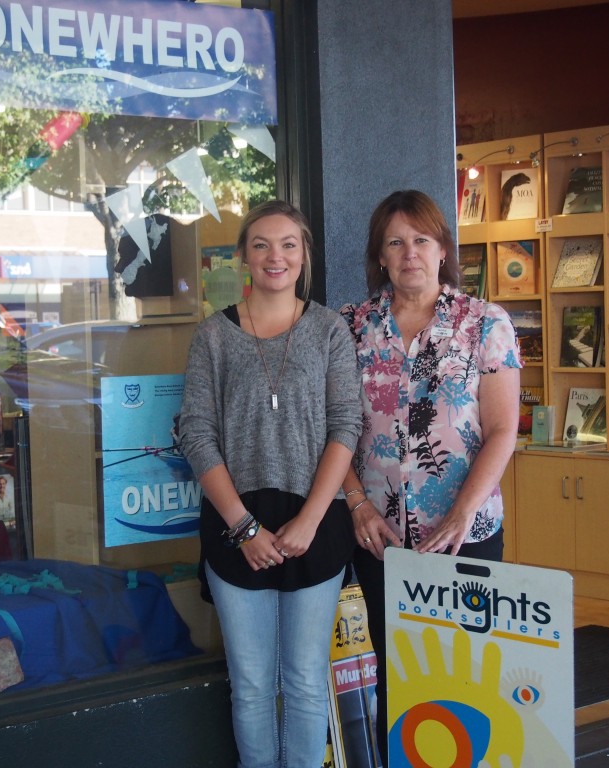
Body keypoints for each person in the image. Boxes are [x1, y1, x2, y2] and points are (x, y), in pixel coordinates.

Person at [339, 189, 522, 764]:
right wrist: (357, 505)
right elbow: (332, 432)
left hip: (464, 534)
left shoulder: (485, 324)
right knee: (399, 673)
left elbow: (502, 429)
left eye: (421, 239)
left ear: (443, 249)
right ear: (380, 256)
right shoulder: (348, 328)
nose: (410, 252)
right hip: (380, 537)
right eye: (395, 242)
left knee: (463, 675)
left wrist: (465, 510)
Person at [179, 200, 362, 768]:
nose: (275, 256)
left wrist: (310, 519)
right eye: (261, 244)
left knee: (307, 681)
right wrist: (242, 526)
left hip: (316, 525)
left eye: (288, 244)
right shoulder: (213, 336)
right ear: (243, 258)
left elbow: (346, 425)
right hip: (238, 529)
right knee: (253, 685)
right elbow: (196, 434)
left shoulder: (331, 331)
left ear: (304, 255)